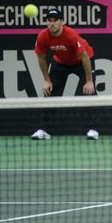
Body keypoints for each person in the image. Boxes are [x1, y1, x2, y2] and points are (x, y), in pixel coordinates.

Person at [31, 8, 99, 140]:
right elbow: (41, 58)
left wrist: (89, 81)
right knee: (50, 92)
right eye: (49, 21)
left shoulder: (71, 35)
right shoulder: (43, 36)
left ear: (61, 21)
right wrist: (47, 80)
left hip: (81, 61)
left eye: (55, 20)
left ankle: (93, 129)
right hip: (60, 62)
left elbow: (84, 57)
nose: (52, 23)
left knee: (88, 92)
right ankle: (44, 130)